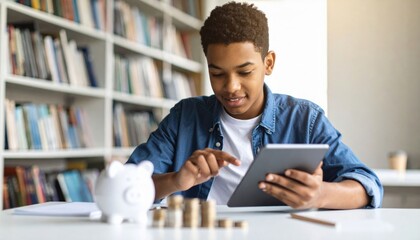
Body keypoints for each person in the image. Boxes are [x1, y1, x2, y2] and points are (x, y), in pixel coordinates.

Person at [127, 1, 383, 209]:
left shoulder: (305, 119)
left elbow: (366, 184)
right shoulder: (186, 116)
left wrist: (321, 195)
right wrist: (175, 180)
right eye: (217, 74)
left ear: (268, 64)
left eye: (245, 72)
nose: (231, 87)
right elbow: (128, 184)